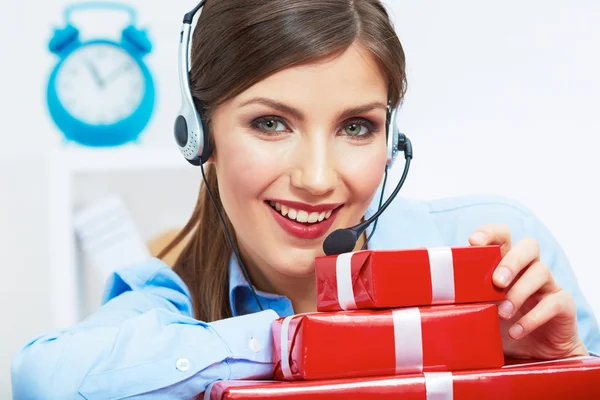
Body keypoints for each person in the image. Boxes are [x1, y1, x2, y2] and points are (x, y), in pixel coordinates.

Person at [11, 0, 600, 398]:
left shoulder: (498, 255)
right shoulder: (167, 306)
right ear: (199, 135)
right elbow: (42, 376)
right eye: (271, 124)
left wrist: (567, 371)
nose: (317, 179)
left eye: (355, 127)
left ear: (392, 138)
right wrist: (300, 343)